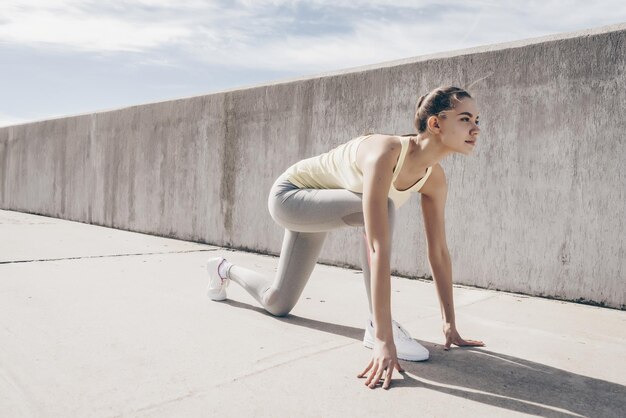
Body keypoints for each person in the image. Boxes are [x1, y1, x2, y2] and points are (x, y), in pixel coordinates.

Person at [206, 86, 485, 390]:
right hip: (291, 196)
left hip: (323, 205)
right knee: (382, 210)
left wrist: (449, 323)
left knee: (278, 303)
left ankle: (223, 269)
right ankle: (376, 324)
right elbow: (376, 245)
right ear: (435, 123)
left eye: (477, 120)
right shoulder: (386, 152)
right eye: (465, 119)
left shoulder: (434, 177)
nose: (475, 129)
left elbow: (439, 252)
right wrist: (383, 339)